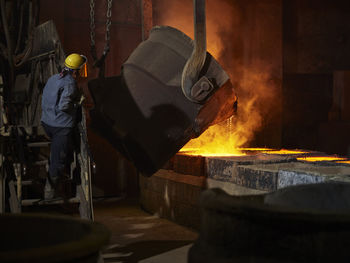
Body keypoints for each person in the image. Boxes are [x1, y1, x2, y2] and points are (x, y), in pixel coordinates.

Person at [41, 53, 87, 199]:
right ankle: (49, 192)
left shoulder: (54, 78)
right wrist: (78, 102)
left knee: (57, 153)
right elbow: (64, 106)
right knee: (59, 159)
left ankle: (54, 169)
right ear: (76, 71)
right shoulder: (70, 83)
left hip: (46, 122)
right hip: (60, 126)